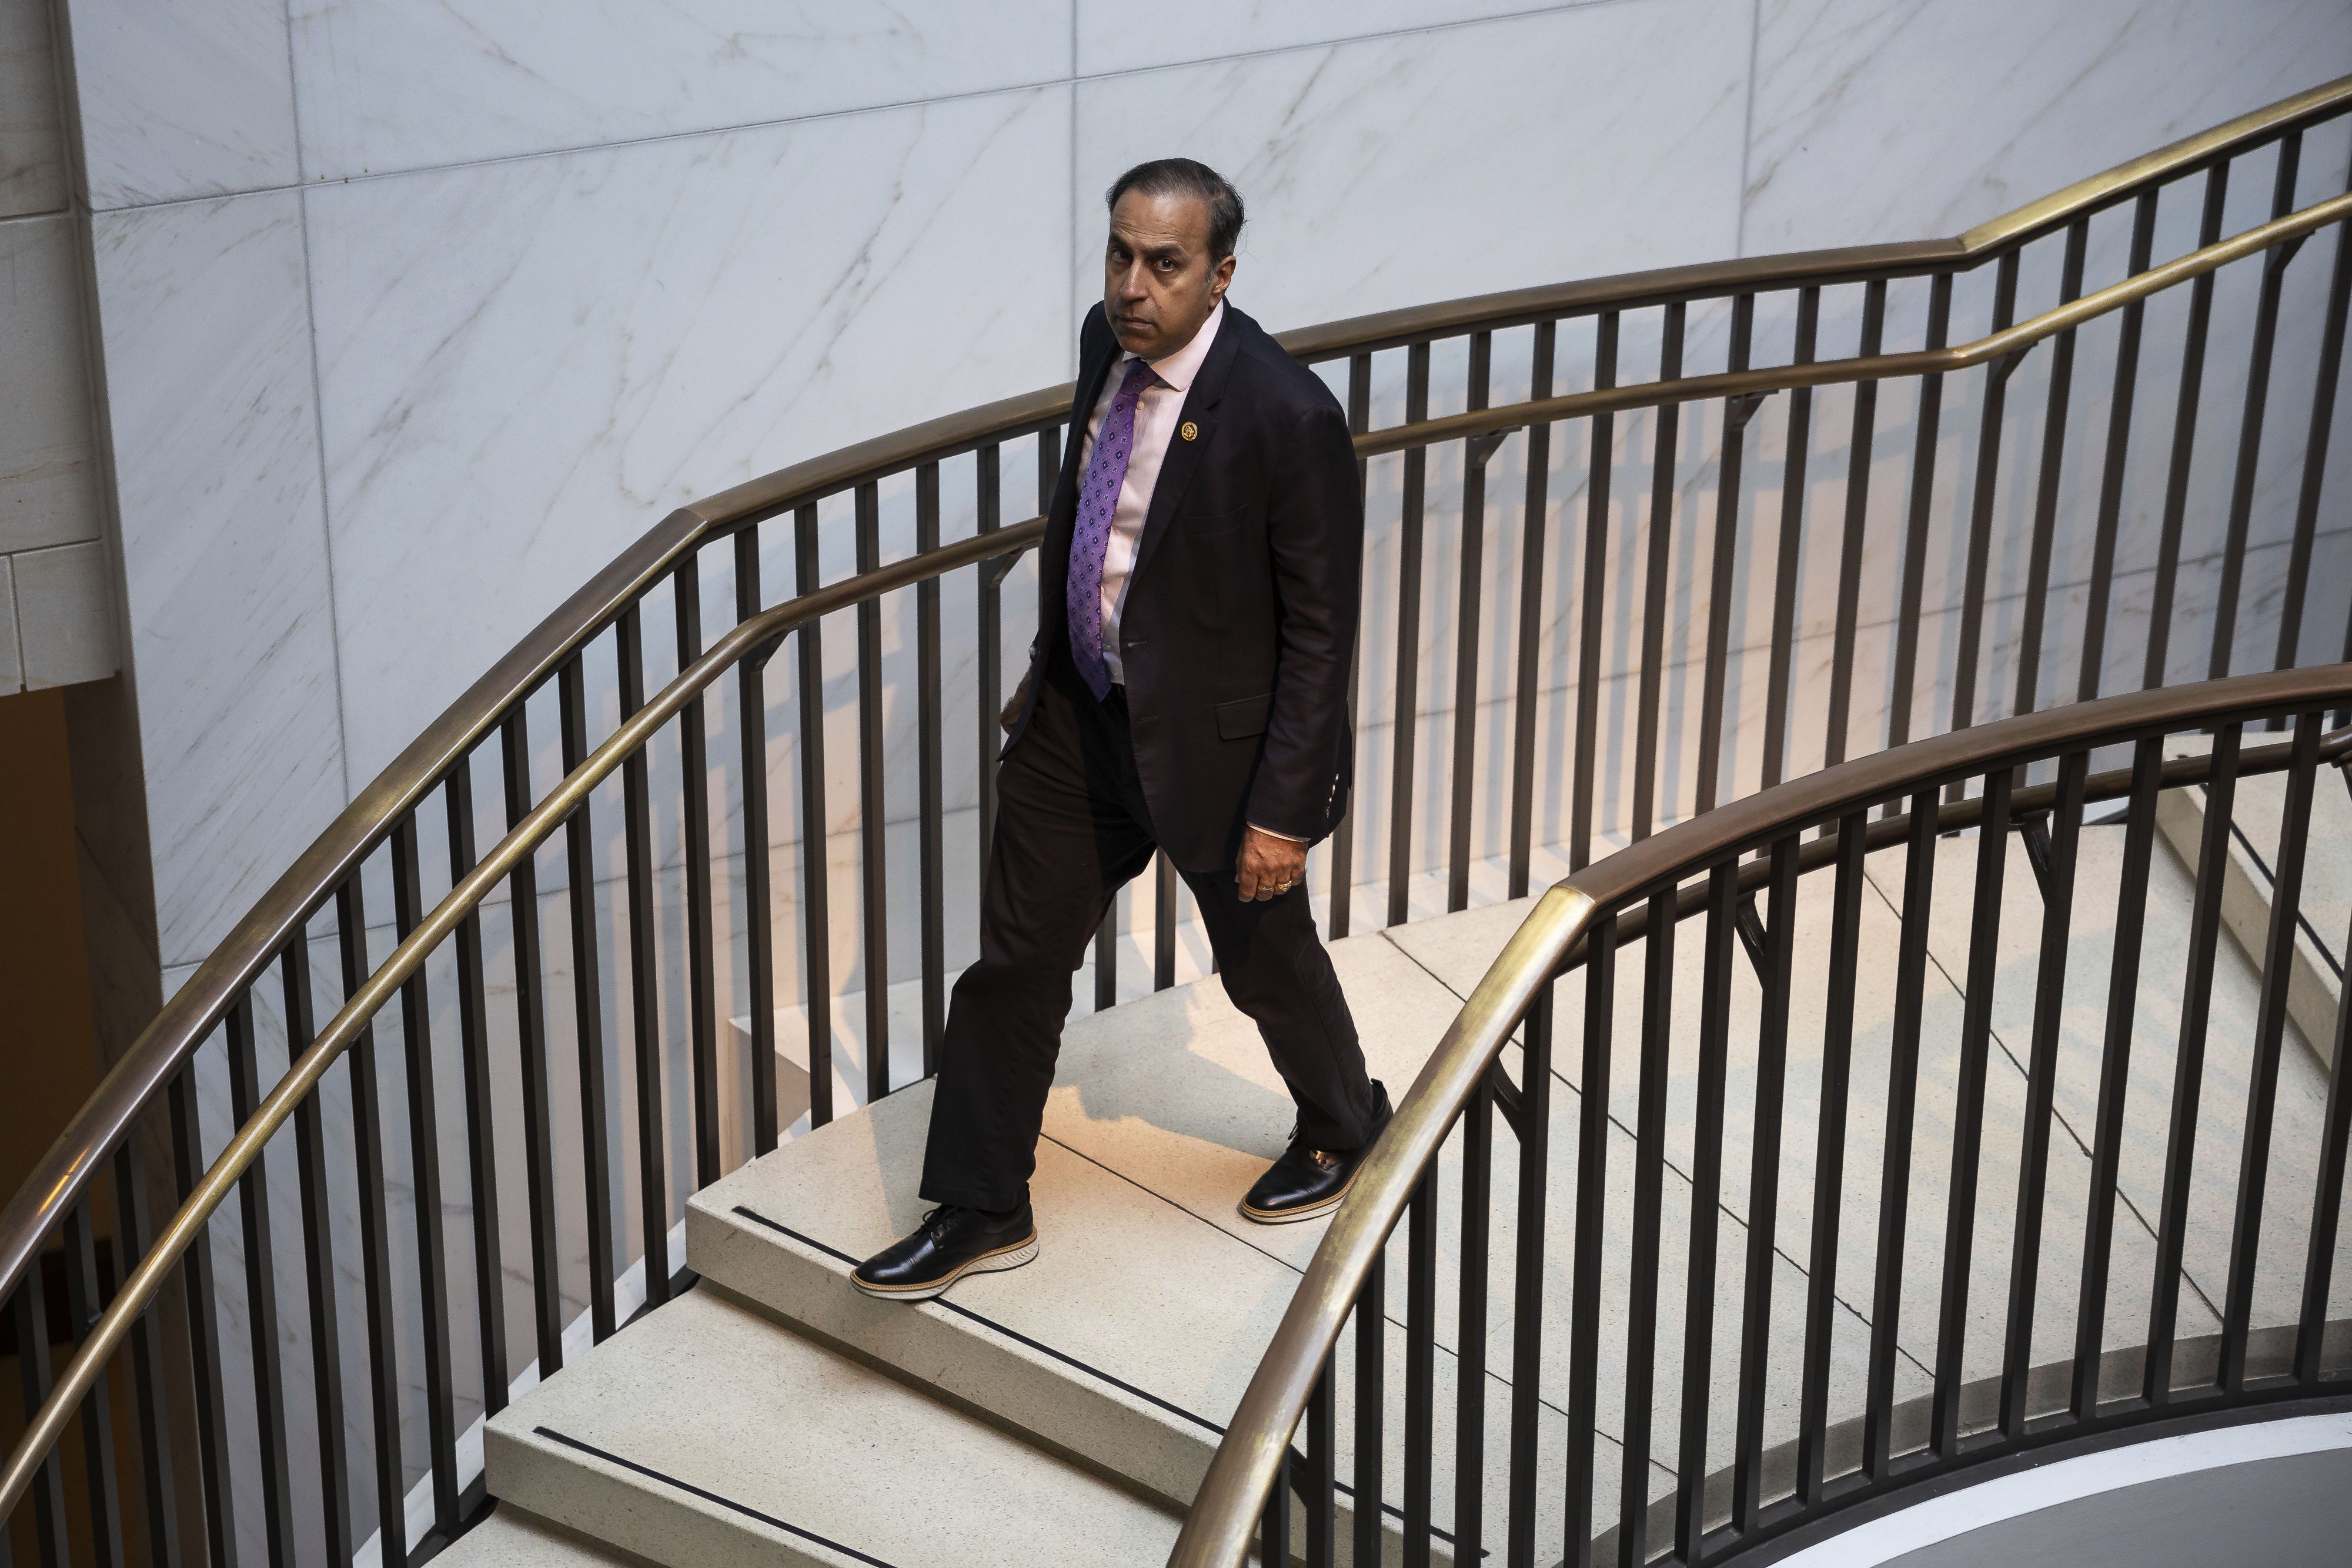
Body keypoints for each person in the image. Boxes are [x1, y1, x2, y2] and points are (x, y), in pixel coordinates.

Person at [852, 158, 1388, 1302]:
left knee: (1264, 961)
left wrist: (1284, 811)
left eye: (1164, 263)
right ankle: (984, 1197)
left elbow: (1320, 637)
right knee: (1011, 968)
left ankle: (1346, 1121)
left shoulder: (1286, 413)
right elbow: (1094, 537)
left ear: (1220, 273)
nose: (1132, 284)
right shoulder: (1109, 350)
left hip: (1217, 757)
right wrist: (1051, 674)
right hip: (1080, 727)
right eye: (1119, 254)